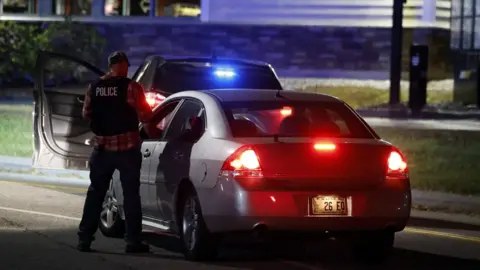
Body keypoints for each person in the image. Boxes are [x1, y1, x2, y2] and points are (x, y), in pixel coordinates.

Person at [77, 51, 153, 253]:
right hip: (127, 149)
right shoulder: (131, 87)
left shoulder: (94, 87)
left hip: (102, 149)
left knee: (95, 194)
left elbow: (86, 114)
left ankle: (84, 238)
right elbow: (146, 114)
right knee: (131, 196)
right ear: (126, 66)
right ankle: (132, 241)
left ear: (110, 66)